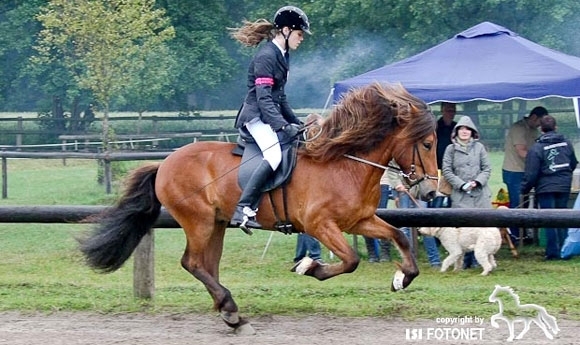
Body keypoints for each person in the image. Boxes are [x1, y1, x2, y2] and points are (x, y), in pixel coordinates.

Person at [228, 6, 311, 232]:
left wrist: (297, 123)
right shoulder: (266, 56)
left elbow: (280, 97)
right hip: (255, 116)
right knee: (274, 155)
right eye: (299, 33)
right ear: (285, 30)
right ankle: (244, 207)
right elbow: (264, 99)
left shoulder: (283, 55)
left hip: (269, 114)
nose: (301, 38)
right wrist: (283, 126)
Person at [521, 115, 578, 260]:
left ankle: (552, 252)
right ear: (556, 127)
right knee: (563, 218)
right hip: (564, 185)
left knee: (549, 220)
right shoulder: (566, 143)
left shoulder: (537, 148)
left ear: (541, 129)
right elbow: (572, 163)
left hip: (545, 187)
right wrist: (564, 177)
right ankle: (565, 250)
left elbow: (532, 173)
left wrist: (525, 189)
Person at [441, 115, 492, 268]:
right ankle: (462, 262)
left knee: (481, 228)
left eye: (467, 129)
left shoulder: (480, 147)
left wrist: (477, 182)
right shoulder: (450, 149)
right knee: (462, 230)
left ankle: (479, 260)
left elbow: (487, 168)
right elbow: (447, 170)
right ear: (456, 132)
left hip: (480, 196)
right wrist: (461, 185)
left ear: (472, 132)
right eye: (461, 129)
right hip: (460, 196)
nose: (464, 132)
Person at [502, 106, 548, 243]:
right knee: (517, 203)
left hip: (527, 171)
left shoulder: (534, 130)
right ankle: (514, 236)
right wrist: (540, 161)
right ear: (534, 117)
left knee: (526, 204)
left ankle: (524, 234)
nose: (541, 125)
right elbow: (521, 151)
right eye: (540, 121)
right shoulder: (518, 128)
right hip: (514, 171)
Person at [392, 163, 441, 267]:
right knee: (404, 228)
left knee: (426, 227)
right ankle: (409, 261)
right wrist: (397, 184)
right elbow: (391, 168)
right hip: (403, 191)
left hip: (419, 190)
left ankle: (435, 261)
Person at [364, 170, 393, 263]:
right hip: (364, 182)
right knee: (365, 218)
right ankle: (372, 253)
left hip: (382, 182)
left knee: (381, 217)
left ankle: (384, 252)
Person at [436, 102, 458, 169]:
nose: (451, 113)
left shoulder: (457, 128)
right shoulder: (435, 127)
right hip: (437, 164)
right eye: (449, 110)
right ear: (442, 111)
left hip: (454, 164)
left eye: (453, 111)